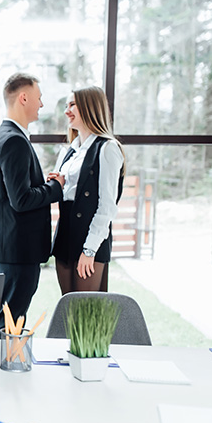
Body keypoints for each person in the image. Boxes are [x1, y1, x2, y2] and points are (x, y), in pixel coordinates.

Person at [0, 73, 65, 326]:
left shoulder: (1, 136)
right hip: (18, 251)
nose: (41, 104)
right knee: (9, 324)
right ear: (23, 98)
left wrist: (44, 184)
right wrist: (55, 187)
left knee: (7, 320)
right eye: (38, 98)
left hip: (10, 248)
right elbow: (21, 199)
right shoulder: (14, 141)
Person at [52, 86, 125, 293]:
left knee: (86, 309)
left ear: (89, 107)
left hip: (89, 239)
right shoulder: (69, 151)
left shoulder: (107, 148)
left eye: (72, 105)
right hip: (65, 236)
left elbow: (107, 206)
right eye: (66, 105)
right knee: (67, 305)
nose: (67, 111)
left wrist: (90, 249)